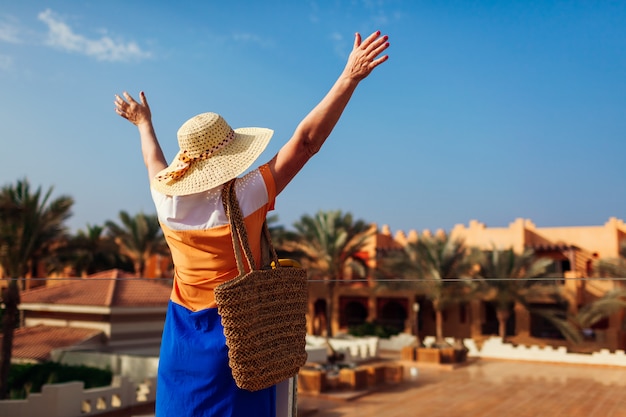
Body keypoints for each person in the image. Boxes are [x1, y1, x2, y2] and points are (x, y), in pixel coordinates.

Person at [114, 30, 389, 417]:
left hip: (181, 339)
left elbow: (152, 162)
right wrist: (349, 78)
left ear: (188, 163)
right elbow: (306, 141)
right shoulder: (245, 195)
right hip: (240, 337)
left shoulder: (166, 199)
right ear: (229, 156)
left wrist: (143, 123)